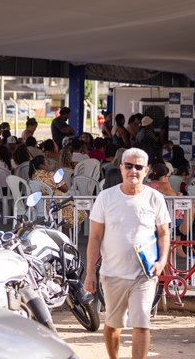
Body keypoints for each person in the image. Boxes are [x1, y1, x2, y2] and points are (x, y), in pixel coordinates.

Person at [84, 148, 170, 359]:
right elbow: (94, 237)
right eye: (129, 166)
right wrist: (90, 273)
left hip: (145, 273)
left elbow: (163, 233)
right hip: (112, 273)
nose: (133, 171)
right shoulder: (106, 197)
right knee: (113, 324)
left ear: (146, 170)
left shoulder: (155, 198)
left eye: (138, 167)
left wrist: (162, 261)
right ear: (121, 168)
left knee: (141, 323)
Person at [29, 156, 87, 228]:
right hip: (56, 205)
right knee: (81, 206)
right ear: (41, 165)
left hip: (42, 206)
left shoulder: (33, 177)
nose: (49, 165)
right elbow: (65, 189)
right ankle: (69, 235)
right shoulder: (50, 175)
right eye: (47, 163)